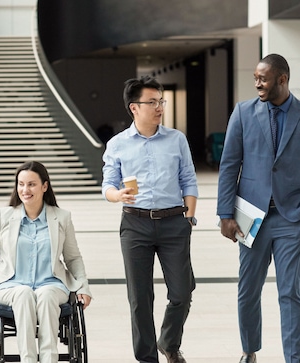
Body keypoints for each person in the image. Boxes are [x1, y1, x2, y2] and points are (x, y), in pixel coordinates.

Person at [216, 54, 300, 363]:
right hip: (250, 219)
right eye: (255, 77)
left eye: (263, 78)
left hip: (292, 218)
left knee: (289, 292)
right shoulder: (242, 113)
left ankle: (293, 358)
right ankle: (249, 351)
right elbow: (229, 166)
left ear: (282, 79)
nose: (257, 84)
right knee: (248, 290)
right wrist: (225, 214)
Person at [101, 76, 198, 363]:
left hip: (173, 223)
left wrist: (189, 219)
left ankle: (168, 343)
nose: (159, 107)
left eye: (161, 101)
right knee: (140, 299)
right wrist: (116, 196)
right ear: (134, 107)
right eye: (152, 102)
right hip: (135, 225)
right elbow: (107, 184)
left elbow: (189, 180)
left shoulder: (176, 139)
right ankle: (146, 358)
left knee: (182, 292)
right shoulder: (117, 144)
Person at [0, 161, 92, 363]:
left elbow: (73, 258)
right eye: (21, 184)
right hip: (11, 285)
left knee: (45, 295)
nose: (25, 190)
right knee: (24, 293)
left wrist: (83, 288)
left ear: (45, 186)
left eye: (31, 184)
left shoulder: (62, 218)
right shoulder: (4, 216)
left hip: (52, 283)